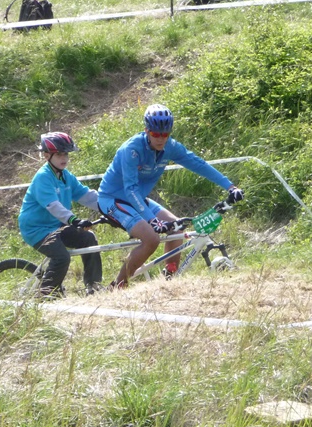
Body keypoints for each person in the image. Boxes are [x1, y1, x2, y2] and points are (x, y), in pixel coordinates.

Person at [98, 104, 244, 289]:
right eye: (156, 134)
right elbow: (131, 189)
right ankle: (118, 286)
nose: (161, 139)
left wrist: (230, 186)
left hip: (137, 199)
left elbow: (198, 164)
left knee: (177, 228)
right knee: (152, 239)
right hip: (112, 199)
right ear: (146, 130)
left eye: (165, 134)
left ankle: (169, 279)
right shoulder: (132, 150)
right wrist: (152, 220)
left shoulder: (171, 146)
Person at [18, 132, 103, 298]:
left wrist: (111, 207)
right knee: (61, 257)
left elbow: (86, 196)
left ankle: (93, 286)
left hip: (56, 225)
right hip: (36, 229)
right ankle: (46, 296)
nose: (64, 158)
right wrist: (74, 220)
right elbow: (53, 206)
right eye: (59, 154)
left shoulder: (65, 176)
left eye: (66, 154)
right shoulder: (43, 177)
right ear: (46, 155)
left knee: (88, 238)